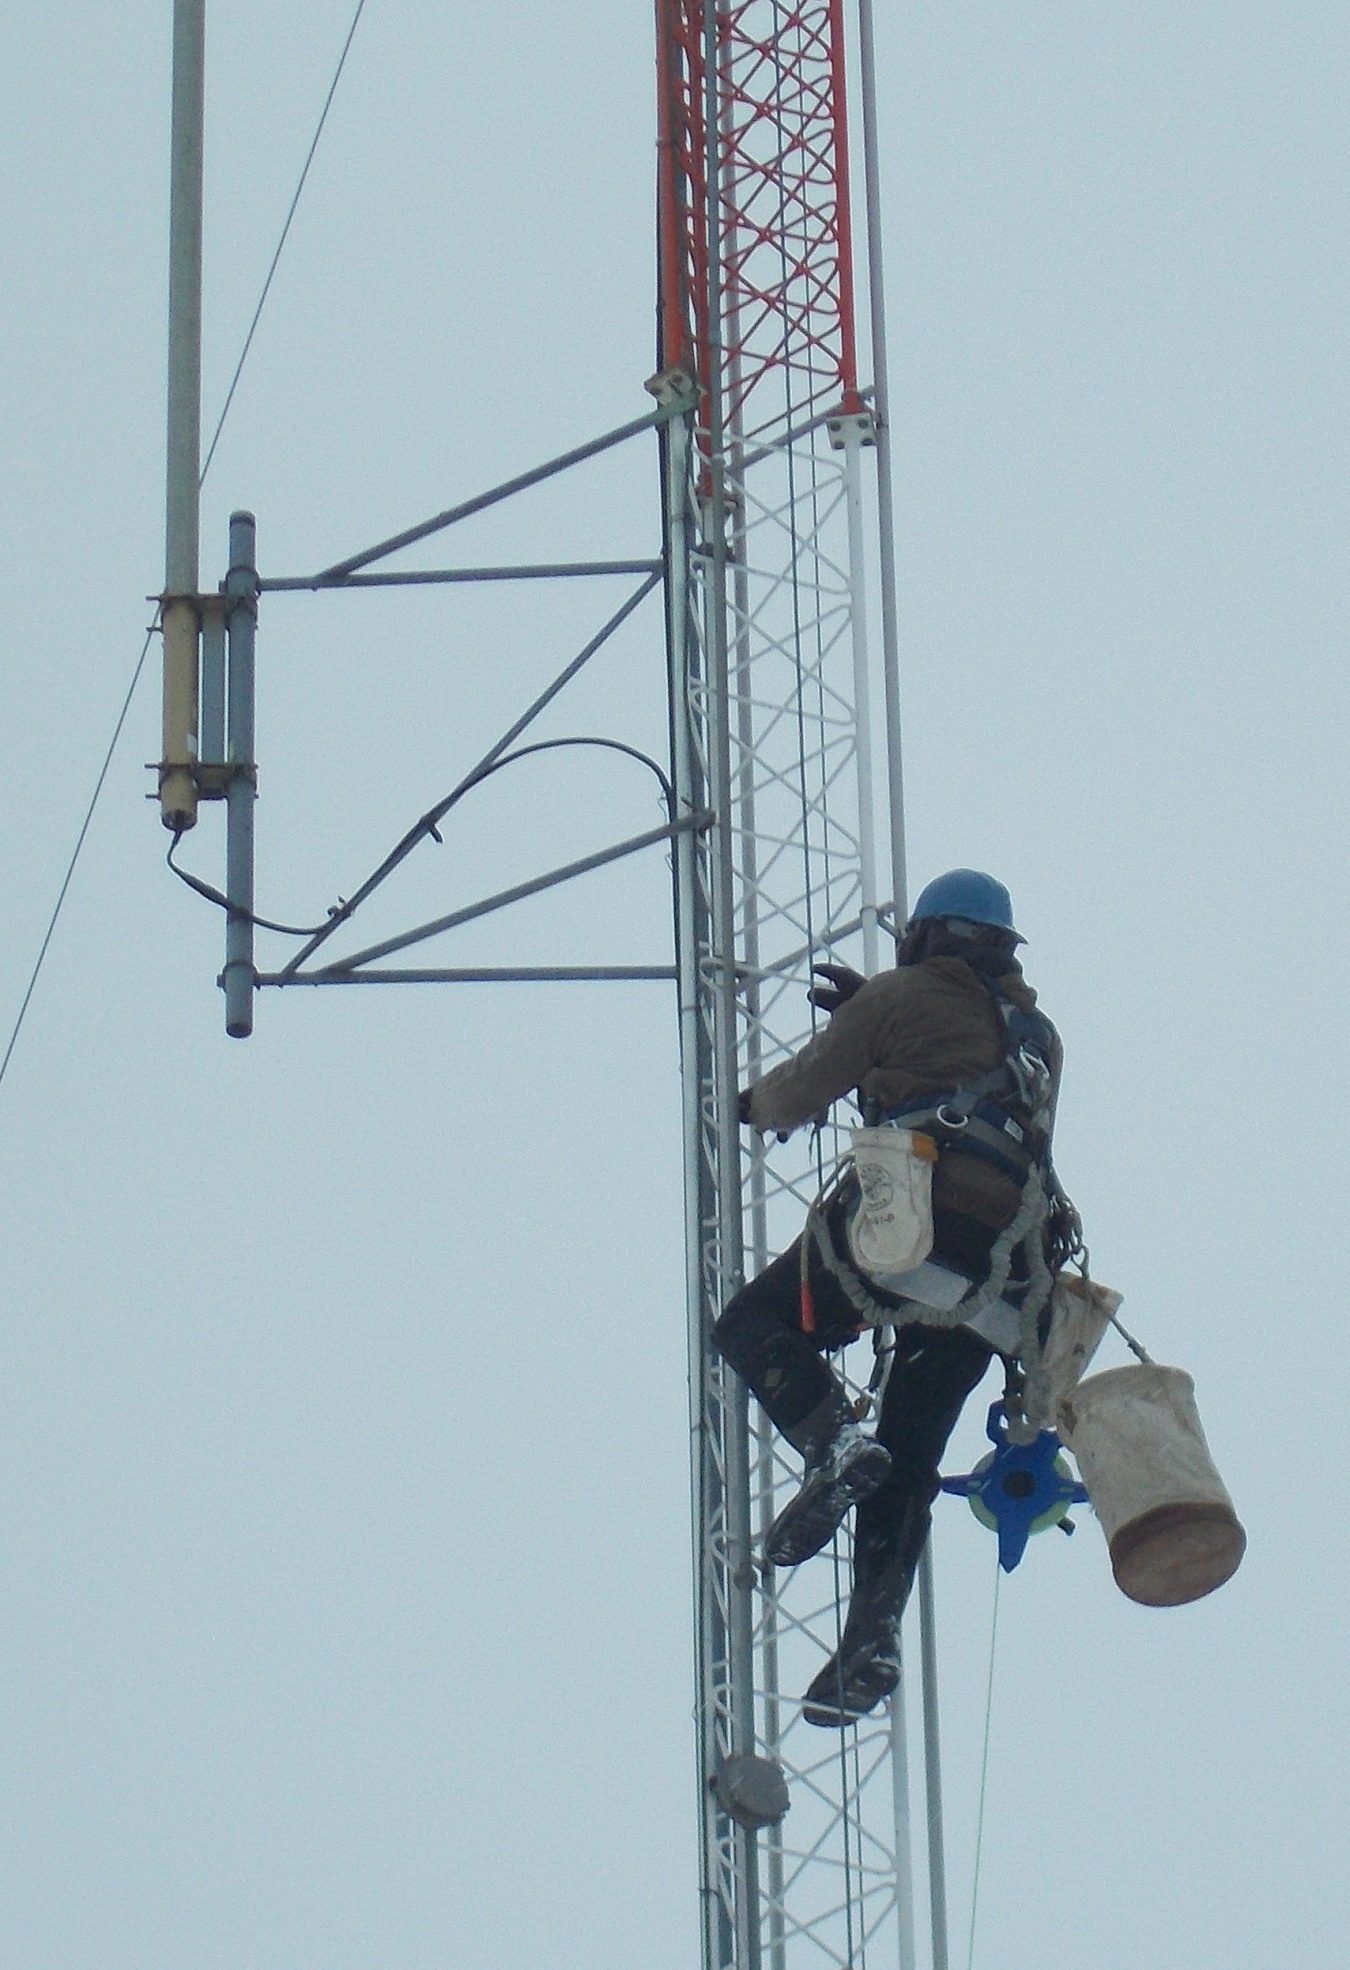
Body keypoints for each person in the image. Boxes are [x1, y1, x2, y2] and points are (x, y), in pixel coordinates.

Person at [712, 869, 1074, 1728]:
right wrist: (872, 1012)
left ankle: (832, 1440)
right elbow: (956, 1057)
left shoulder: (899, 995)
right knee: (907, 1459)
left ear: (925, 937)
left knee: (752, 1323)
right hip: (997, 1284)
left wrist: (746, 1108)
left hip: (897, 1238)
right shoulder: (1042, 1037)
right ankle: (872, 1636)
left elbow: (803, 1090)